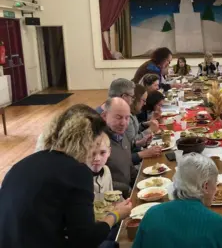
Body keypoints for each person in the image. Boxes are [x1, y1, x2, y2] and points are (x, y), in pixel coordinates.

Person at [0, 104, 132, 248]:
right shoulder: (77, 172)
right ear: (86, 140)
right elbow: (85, 239)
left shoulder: (21, 165)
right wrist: (116, 214)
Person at [133, 153, 222, 248]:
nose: (216, 189)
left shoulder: (151, 214)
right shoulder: (219, 225)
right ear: (205, 186)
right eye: (215, 183)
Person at [101, 97, 138, 198]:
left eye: (127, 118)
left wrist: (140, 182)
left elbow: (129, 165)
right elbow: (99, 181)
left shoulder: (122, 134)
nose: (123, 123)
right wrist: (128, 190)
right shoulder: (98, 145)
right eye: (118, 117)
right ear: (104, 116)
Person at [126, 84, 162, 164]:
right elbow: (133, 141)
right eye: (143, 100)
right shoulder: (127, 116)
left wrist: (145, 124)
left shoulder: (133, 113)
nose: (145, 103)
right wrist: (149, 130)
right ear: (135, 99)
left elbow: (134, 130)